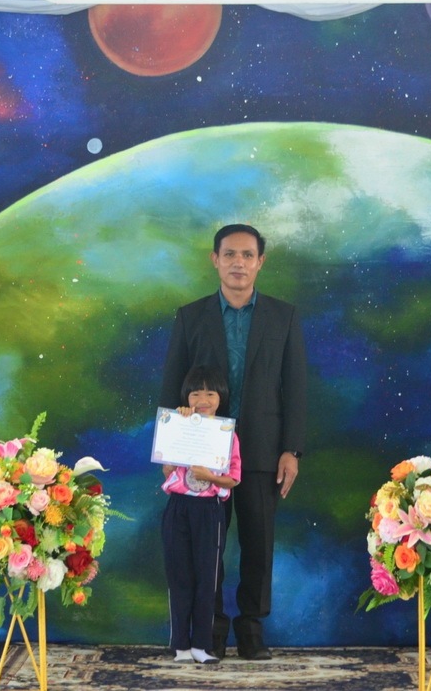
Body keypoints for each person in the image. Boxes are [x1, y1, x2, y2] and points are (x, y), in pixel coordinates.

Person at [159, 224, 308, 660]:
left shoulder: (283, 317)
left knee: (258, 545)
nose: (238, 263)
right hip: (201, 456)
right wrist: (169, 451)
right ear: (215, 260)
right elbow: (171, 385)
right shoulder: (191, 316)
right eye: (229, 254)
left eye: (247, 255)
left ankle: (251, 629)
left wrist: (291, 449)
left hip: (263, 450)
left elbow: (296, 387)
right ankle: (211, 630)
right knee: (207, 547)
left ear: (260, 262)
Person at [161, 366, 242, 665]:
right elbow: (167, 469)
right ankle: (180, 645)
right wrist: (177, 427)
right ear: (187, 397)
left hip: (209, 511)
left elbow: (233, 479)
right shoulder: (178, 423)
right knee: (179, 576)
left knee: (207, 579)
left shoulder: (227, 434)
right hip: (178, 508)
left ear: (221, 397)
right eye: (196, 394)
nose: (203, 400)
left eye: (210, 393)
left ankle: (202, 645)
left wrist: (210, 476)